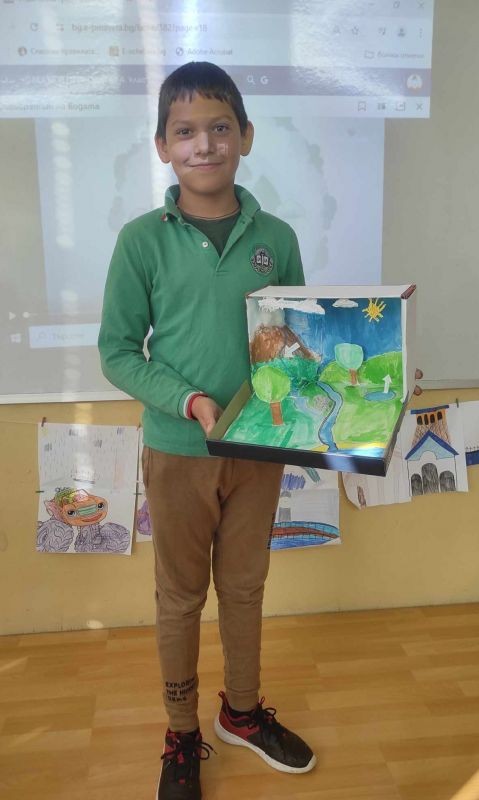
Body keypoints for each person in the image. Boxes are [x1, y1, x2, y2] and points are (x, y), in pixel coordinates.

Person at [98, 61, 315, 799]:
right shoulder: (141, 241)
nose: (204, 144)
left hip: (258, 447)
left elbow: (290, 341)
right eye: (185, 131)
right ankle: (181, 731)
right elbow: (117, 352)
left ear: (245, 136)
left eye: (220, 127)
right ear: (163, 146)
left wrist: (367, 379)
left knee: (245, 589)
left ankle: (241, 714)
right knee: (180, 598)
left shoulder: (276, 238)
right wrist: (187, 399)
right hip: (178, 452)